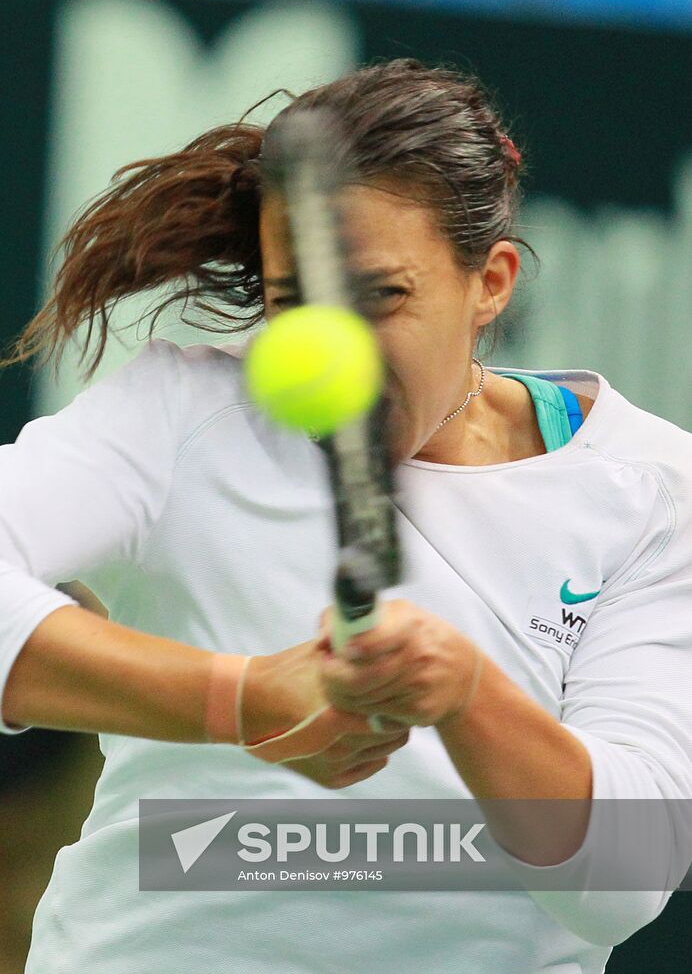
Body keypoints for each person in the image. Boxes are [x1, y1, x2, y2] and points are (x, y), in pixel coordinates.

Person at [0, 58, 690, 974]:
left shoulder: (654, 487)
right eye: (295, 304)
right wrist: (237, 699)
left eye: (382, 296)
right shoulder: (177, 417)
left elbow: (625, 874)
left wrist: (465, 694)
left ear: (492, 281)